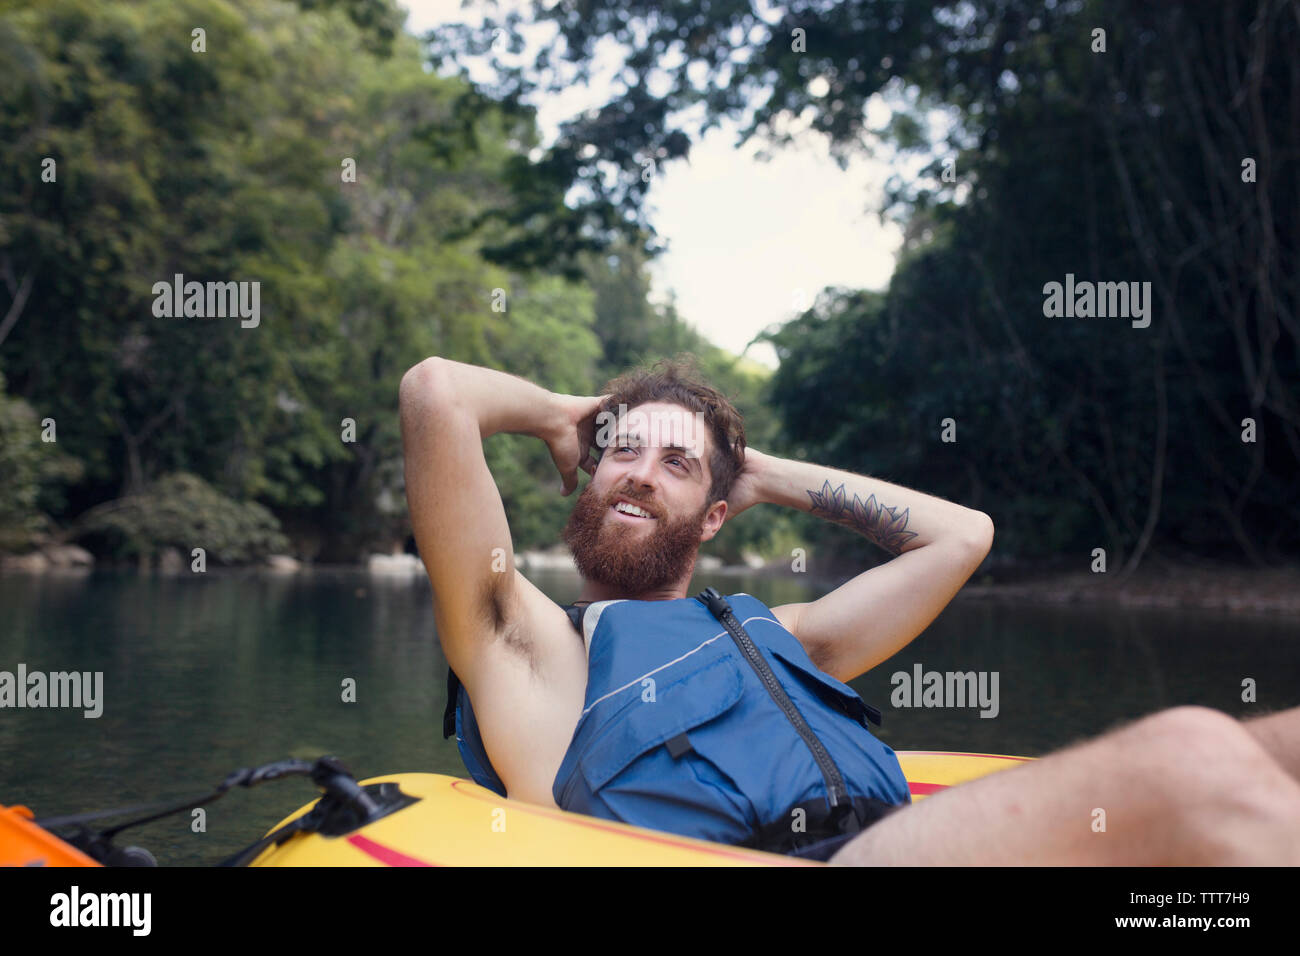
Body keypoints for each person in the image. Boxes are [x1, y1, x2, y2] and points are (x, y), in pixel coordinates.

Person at [399, 355, 1300, 864]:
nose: (639, 470)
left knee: (1275, 744)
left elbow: (962, 536)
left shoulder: (785, 638)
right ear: (591, 469)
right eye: (623, 451)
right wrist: (569, 414)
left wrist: (760, 473)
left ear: (719, 514)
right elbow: (436, 391)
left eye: (677, 465)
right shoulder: (520, 644)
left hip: (891, 843)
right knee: (1192, 753)